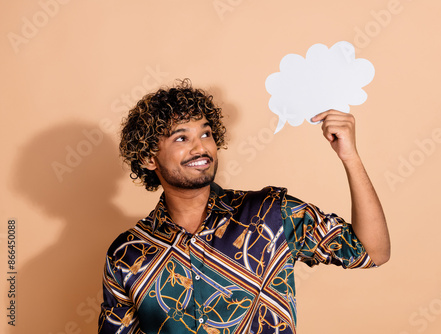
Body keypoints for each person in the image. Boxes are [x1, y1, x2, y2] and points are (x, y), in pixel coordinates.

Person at [98, 79, 390, 334]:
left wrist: (350, 156)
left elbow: (373, 251)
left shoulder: (271, 214)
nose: (200, 147)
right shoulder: (128, 253)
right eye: (181, 137)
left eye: (206, 133)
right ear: (149, 159)